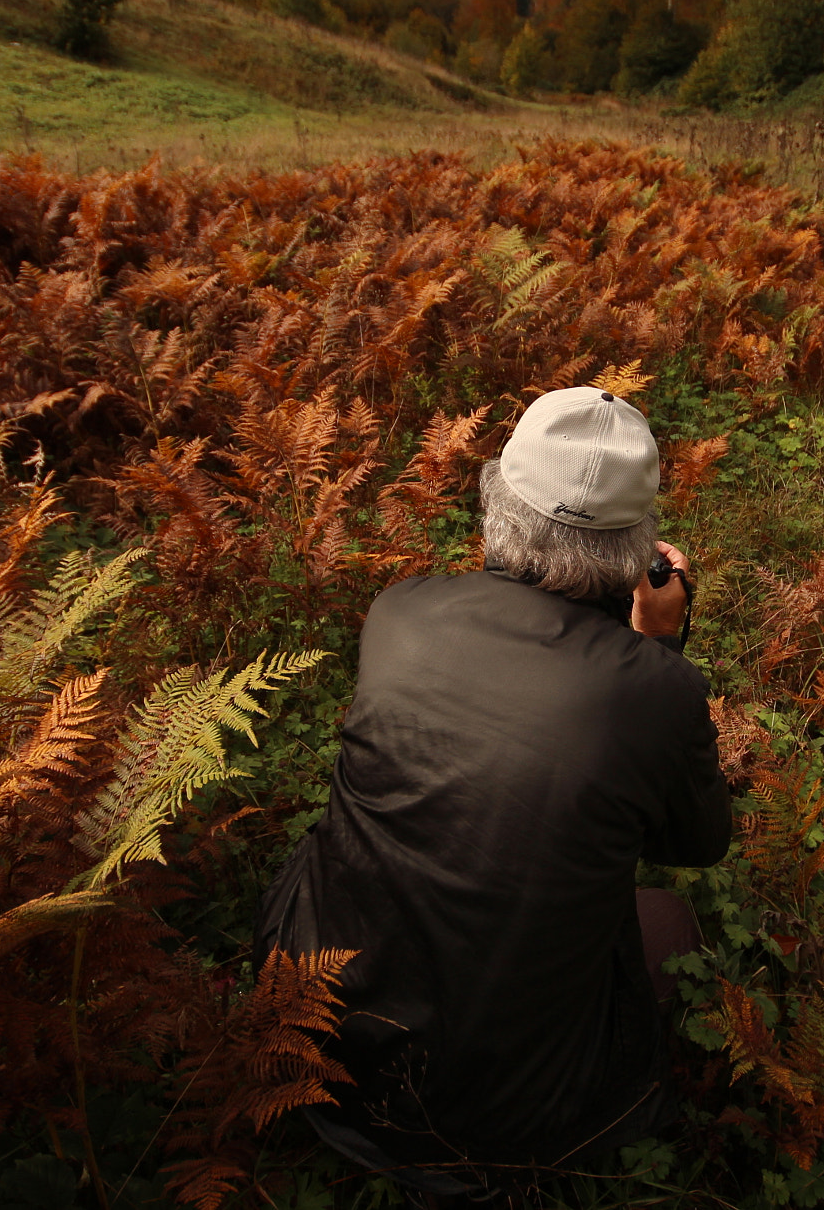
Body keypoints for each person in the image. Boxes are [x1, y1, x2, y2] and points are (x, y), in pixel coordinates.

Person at [256, 386, 732, 1205]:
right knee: (671, 923)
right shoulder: (658, 689)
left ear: (499, 502)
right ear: (640, 550)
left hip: (316, 1037)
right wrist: (656, 644)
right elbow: (694, 841)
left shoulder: (400, 610)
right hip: (505, 1116)